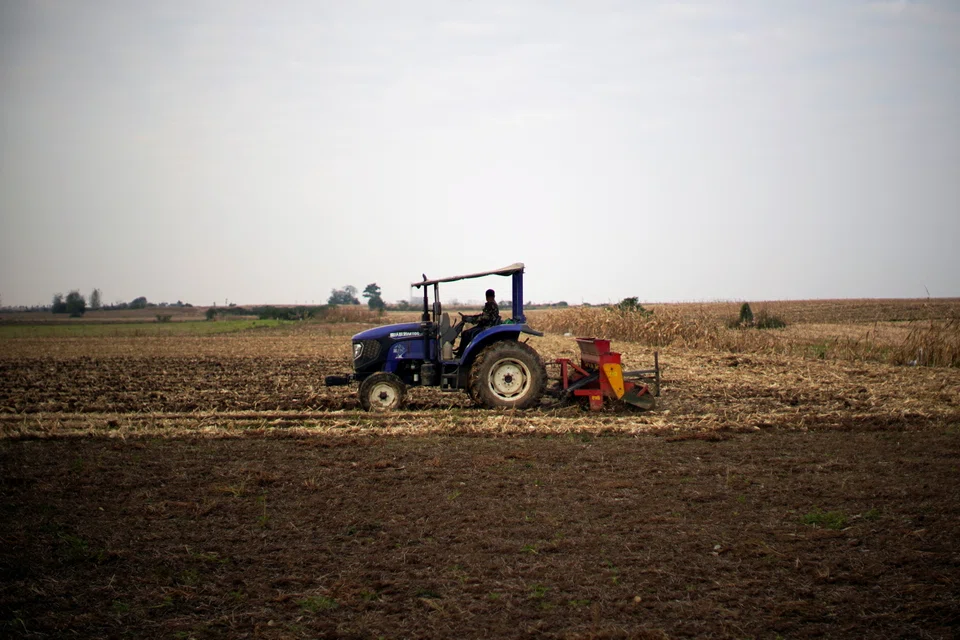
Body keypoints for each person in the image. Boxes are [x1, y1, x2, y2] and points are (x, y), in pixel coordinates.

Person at [455, 288, 500, 356]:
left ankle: (462, 354)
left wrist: (471, 319)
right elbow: (483, 316)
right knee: (466, 333)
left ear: (487, 297)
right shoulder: (492, 304)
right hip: (486, 325)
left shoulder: (491, 305)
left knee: (466, 334)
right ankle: (462, 351)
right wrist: (471, 317)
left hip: (486, 327)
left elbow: (485, 317)